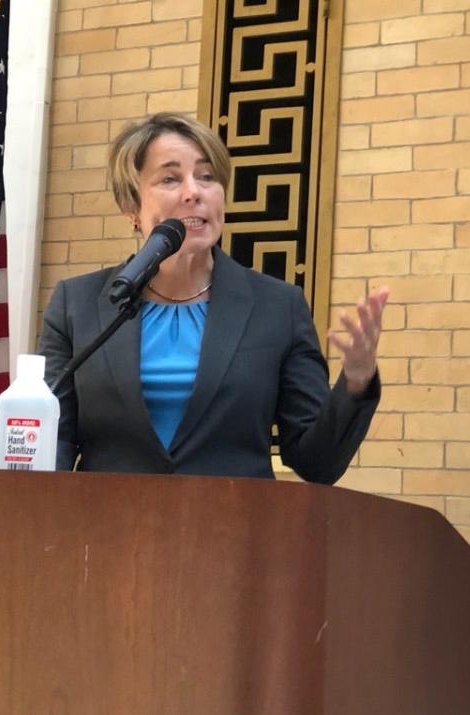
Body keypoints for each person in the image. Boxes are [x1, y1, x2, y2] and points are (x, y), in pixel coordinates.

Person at [38, 112, 388, 484]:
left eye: (207, 177)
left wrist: (355, 382)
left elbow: (317, 463)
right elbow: (51, 443)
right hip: (108, 534)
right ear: (131, 207)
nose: (194, 192)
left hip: (235, 533)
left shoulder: (278, 307)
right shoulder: (76, 304)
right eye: (170, 179)